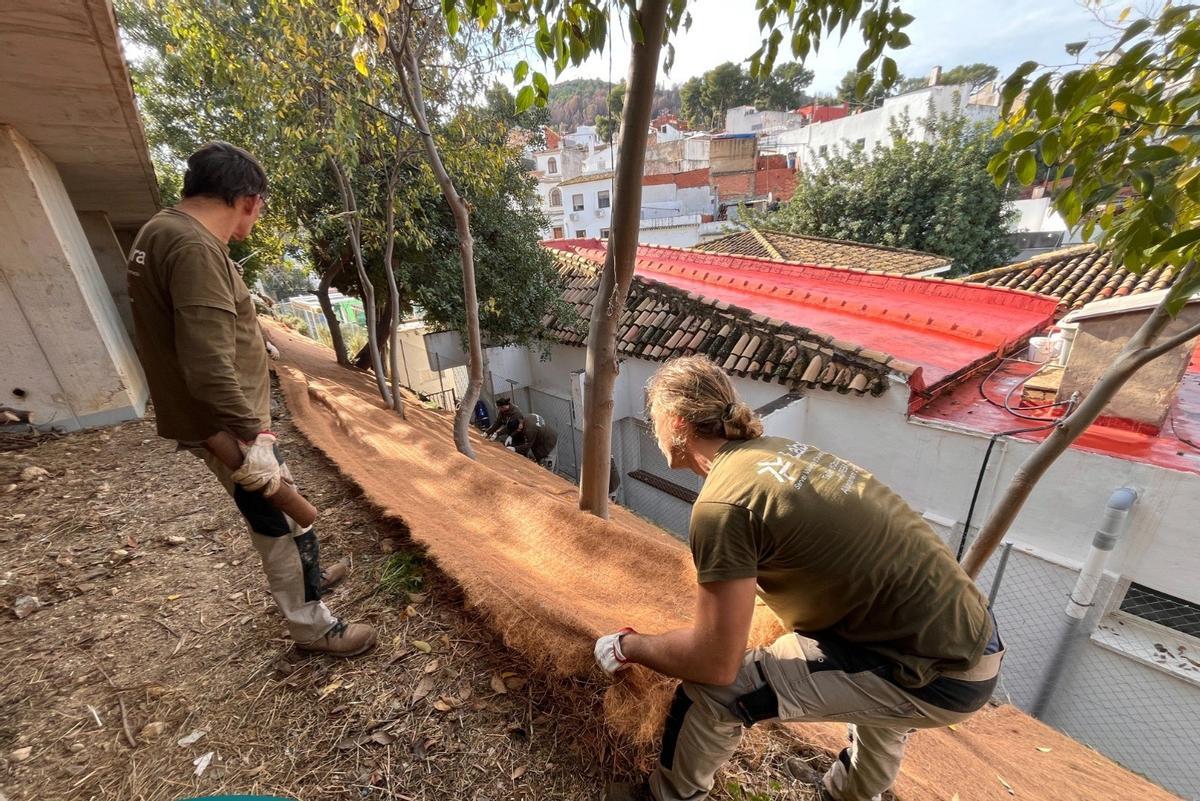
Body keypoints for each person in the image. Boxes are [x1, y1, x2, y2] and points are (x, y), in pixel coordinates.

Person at [596, 355, 1002, 801]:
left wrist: (628, 644)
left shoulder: (722, 505)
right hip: (966, 640)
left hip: (932, 673)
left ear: (674, 422)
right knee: (875, 696)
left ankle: (666, 796)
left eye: (654, 419)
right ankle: (853, 793)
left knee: (715, 695)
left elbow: (714, 662)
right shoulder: (777, 451)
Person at [126, 141, 377, 658]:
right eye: (260, 204)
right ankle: (313, 626)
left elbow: (194, 333)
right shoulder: (195, 247)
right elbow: (206, 362)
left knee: (284, 518)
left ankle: (306, 579)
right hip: (226, 425)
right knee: (281, 520)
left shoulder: (160, 230)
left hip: (213, 416)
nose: (259, 215)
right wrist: (254, 436)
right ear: (246, 199)